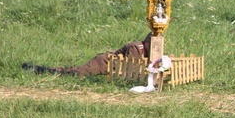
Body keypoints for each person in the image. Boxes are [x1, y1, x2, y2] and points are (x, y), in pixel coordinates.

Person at [22, 33, 152, 76]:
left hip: (110, 66)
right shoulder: (136, 47)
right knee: (76, 74)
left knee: (75, 71)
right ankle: (40, 70)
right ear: (147, 42)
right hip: (104, 62)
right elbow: (132, 68)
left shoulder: (147, 50)